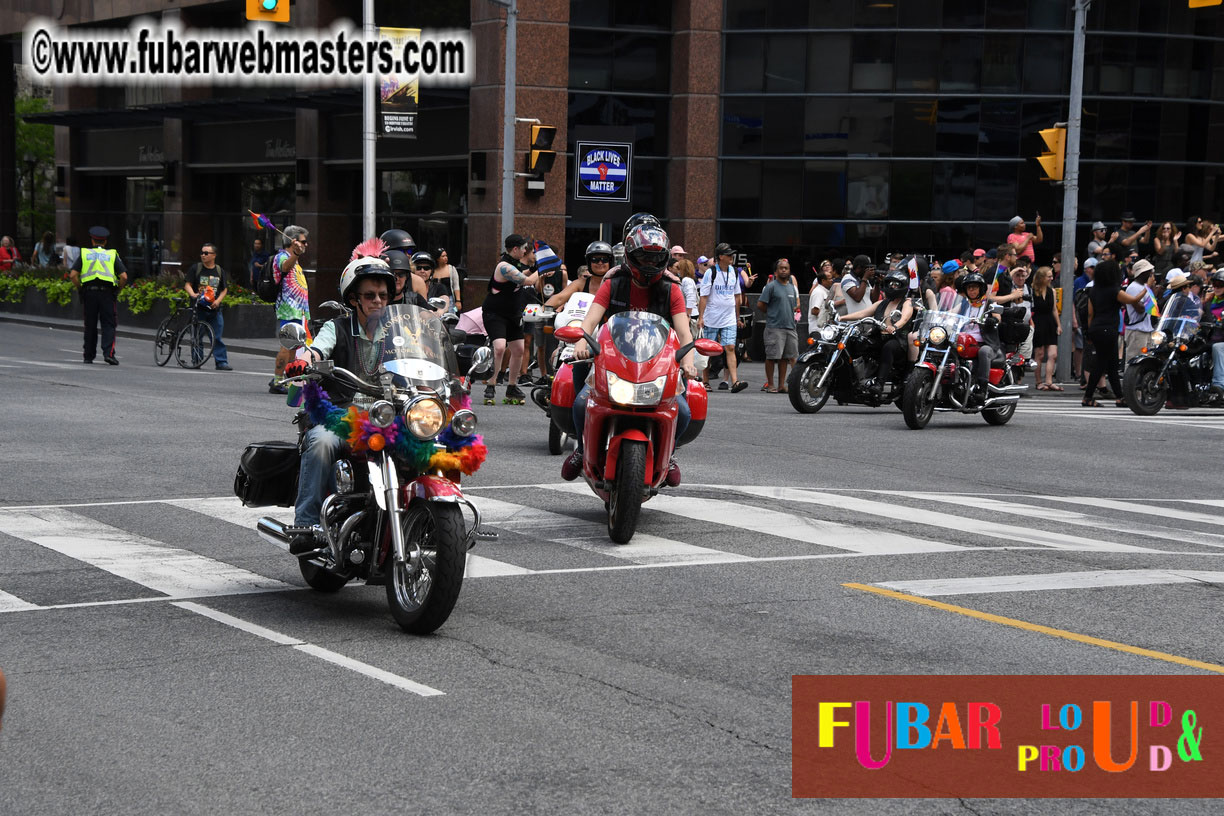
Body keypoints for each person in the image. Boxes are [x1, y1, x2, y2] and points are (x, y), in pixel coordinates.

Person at [280, 248, 398, 554]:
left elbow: (424, 357)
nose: (378, 301)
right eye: (370, 295)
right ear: (354, 299)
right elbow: (317, 349)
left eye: (383, 295)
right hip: (341, 416)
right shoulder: (337, 328)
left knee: (434, 442)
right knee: (320, 442)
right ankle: (306, 524)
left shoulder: (399, 333)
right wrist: (304, 361)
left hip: (389, 417)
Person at [562, 223, 696, 484]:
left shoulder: (672, 289)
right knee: (581, 403)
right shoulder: (613, 283)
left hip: (658, 364)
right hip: (613, 359)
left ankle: (668, 456)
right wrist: (580, 340)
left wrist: (688, 362)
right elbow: (591, 320)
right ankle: (582, 449)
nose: (649, 263)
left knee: (683, 412)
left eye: (655, 258)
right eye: (643, 257)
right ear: (630, 256)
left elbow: (684, 332)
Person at [839, 268, 914, 398]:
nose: (892, 287)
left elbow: (905, 318)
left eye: (896, 284)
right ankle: (849, 382)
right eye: (890, 284)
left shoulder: (907, 303)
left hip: (897, 340)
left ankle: (879, 384)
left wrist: (895, 327)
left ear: (902, 286)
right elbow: (863, 313)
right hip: (879, 336)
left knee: (888, 348)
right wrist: (841, 318)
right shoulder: (882, 303)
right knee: (856, 342)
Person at [482, 233, 538, 404]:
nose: (525, 251)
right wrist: (541, 268)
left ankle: (512, 386)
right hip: (495, 313)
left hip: (512, 314)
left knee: (519, 349)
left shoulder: (514, 264)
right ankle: (491, 383)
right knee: (499, 347)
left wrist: (536, 269)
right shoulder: (504, 266)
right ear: (515, 249)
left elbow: (523, 274)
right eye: (523, 249)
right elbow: (527, 281)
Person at [1082, 258, 1146, 408]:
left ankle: (1120, 397)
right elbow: (1133, 300)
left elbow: (1090, 314)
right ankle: (1088, 397)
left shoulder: (1093, 291)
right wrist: (1146, 288)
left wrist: (1090, 332)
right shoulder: (1114, 291)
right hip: (1109, 329)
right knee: (1101, 364)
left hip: (1096, 329)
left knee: (1111, 364)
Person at [69, 226, 127, 365]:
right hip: (107, 294)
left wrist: (80, 288)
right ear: (105, 241)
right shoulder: (111, 255)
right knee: (109, 324)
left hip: (89, 293)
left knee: (90, 325)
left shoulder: (85, 254)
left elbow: (73, 275)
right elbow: (124, 277)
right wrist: (117, 290)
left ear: (92, 240)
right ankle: (109, 354)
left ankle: (88, 356)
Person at [698, 242, 747, 392]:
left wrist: (737, 317)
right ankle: (705, 381)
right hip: (712, 318)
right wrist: (701, 317)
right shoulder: (710, 273)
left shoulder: (734, 272)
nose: (732, 256)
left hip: (729, 318)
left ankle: (735, 381)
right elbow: (703, 296)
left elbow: (737, 296)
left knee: (730, 347)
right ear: (720, 257)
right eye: (728, 254)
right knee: (708, 351)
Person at [269, 225, 311, 394]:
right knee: (286, 346)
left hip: (298, 311)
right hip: (288, 310)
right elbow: (285, 267)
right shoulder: (282, 256)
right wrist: (296, 254)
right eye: (303, 241)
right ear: (293, 242)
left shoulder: (295, 259)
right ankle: (278, 381)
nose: (306, 245)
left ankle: (284, 378)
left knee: (294, 347)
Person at [184, 242, 232, 370]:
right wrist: (193, 294)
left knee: (216, 336)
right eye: (202, 253)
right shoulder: (196, 268)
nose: (203, 255)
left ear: (214, 255)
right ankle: (197, 360)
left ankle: (221, 362)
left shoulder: (219, 271)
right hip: (199, 308)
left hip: (214, 309)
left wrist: (218, 301)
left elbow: (224, 289)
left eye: (206, 253)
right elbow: (187, 284)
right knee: (197, 336)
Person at [757, 258, 800, 393]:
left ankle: (781, 385)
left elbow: (795, 306)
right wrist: (772, 313)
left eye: (786, 268)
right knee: (771, 357)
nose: (784, 270)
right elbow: (760, 304)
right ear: (776, 272)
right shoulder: (771, 286)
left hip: (790, 327)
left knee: (785, 358)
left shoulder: (792, 287)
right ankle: (770, 384)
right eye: (781, 268)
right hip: (774, 327)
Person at [1030, 266, 1061, 391]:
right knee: (1039, 354)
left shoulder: (1051, 291)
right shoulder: (1032, 291)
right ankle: (1038, 382)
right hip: (1038, 321)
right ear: (1041, 278)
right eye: (1049, 276)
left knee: (1053, 354)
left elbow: (1054, 309)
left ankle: (1049, 381)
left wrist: (1058, 324)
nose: (1051, 278)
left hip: (1050, 322)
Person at [1122, 259, 1157, 364]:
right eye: (1149, 272)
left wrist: (1152, 289)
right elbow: (1140, 309)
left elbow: (1153, 307)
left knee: (1146, 363)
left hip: (1147, 330)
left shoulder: (1144, 287)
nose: (1151, 274)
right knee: (1134, 362)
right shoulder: (1133, 288)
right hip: (1137, 331)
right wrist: (1148, 288)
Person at [430, 247, 463, 312]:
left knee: (451, 314)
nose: (445, 258)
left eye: (446, 256)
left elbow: (456, 286)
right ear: (438, 258)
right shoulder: (432, 270)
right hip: (435, 300)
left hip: (450, 299)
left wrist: (458, 301)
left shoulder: (451, 269)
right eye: (443, 256)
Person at [809, 262, 834, 329]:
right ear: (823, 280)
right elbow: (814, 311)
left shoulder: (824, 291)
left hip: (824, 328)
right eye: (829, 279)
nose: (832, 280)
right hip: (817, 329)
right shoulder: (818, 292)